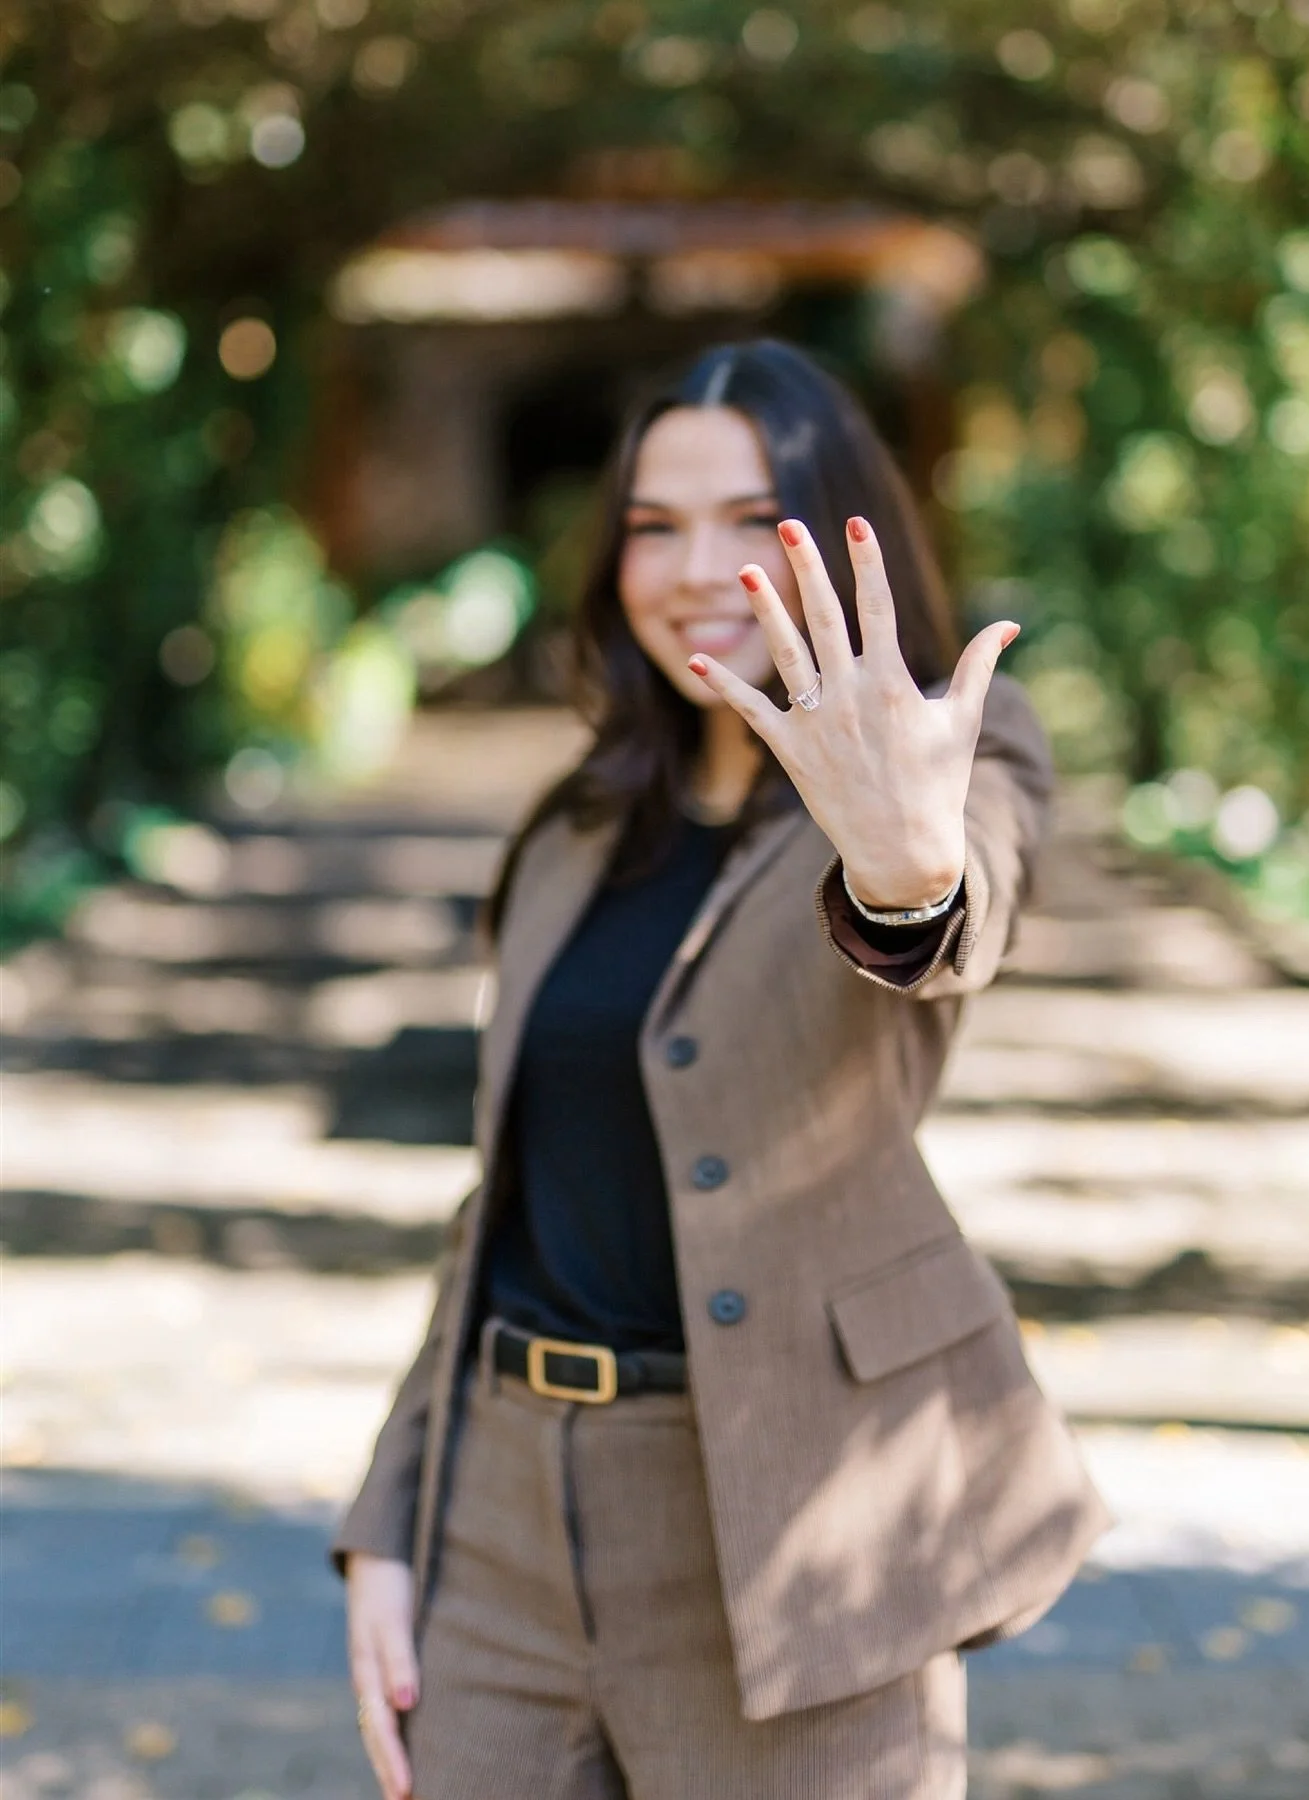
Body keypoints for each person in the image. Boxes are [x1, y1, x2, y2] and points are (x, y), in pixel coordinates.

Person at [334, 339, 1111, 1800]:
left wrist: (904, 868)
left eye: (754, 522)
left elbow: (957, 906)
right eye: (652, 524)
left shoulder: (943, 755)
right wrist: (392, 1519)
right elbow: (504, 1196)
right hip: (501, 1524)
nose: (698, 568)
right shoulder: (576, 826)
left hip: (794, 1527)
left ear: (837, 527)